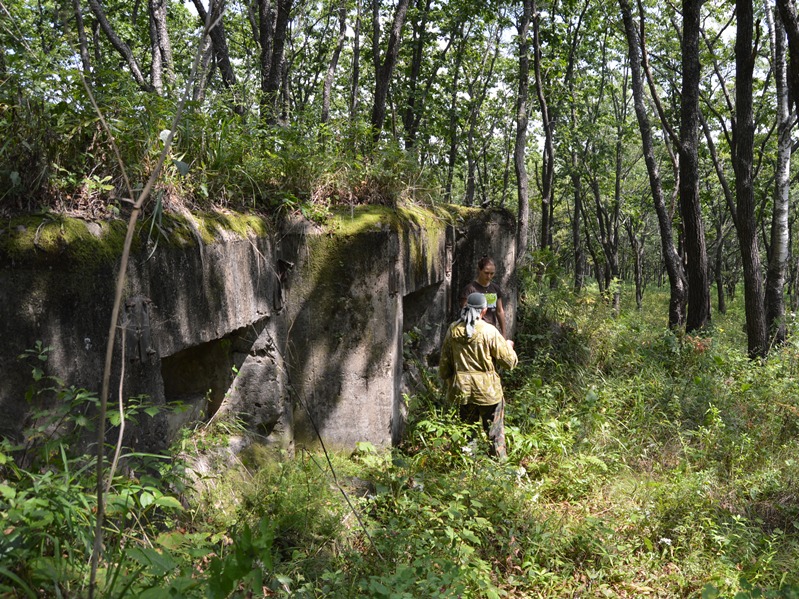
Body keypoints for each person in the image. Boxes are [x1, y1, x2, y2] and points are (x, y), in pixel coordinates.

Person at [439, 292, 518, 458]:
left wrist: (449, 381)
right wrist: (508, 346)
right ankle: (500, 470)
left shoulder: (453, 330)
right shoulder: (489, 331)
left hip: (462, 391)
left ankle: (469, 467)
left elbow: (445, 365)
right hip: (488, 391)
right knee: (495, 434)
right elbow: (509, 362)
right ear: (483, 311)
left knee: (467, 433)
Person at [459, 256, 506, 338]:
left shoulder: (495, 288)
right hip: (475, 332)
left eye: (492, 273)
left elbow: (499, 311)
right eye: (486, 273)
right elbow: (465, 311)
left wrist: (504, 334)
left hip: (491, 331)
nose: (489, 277)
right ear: (479, 270)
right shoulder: (470, 289)